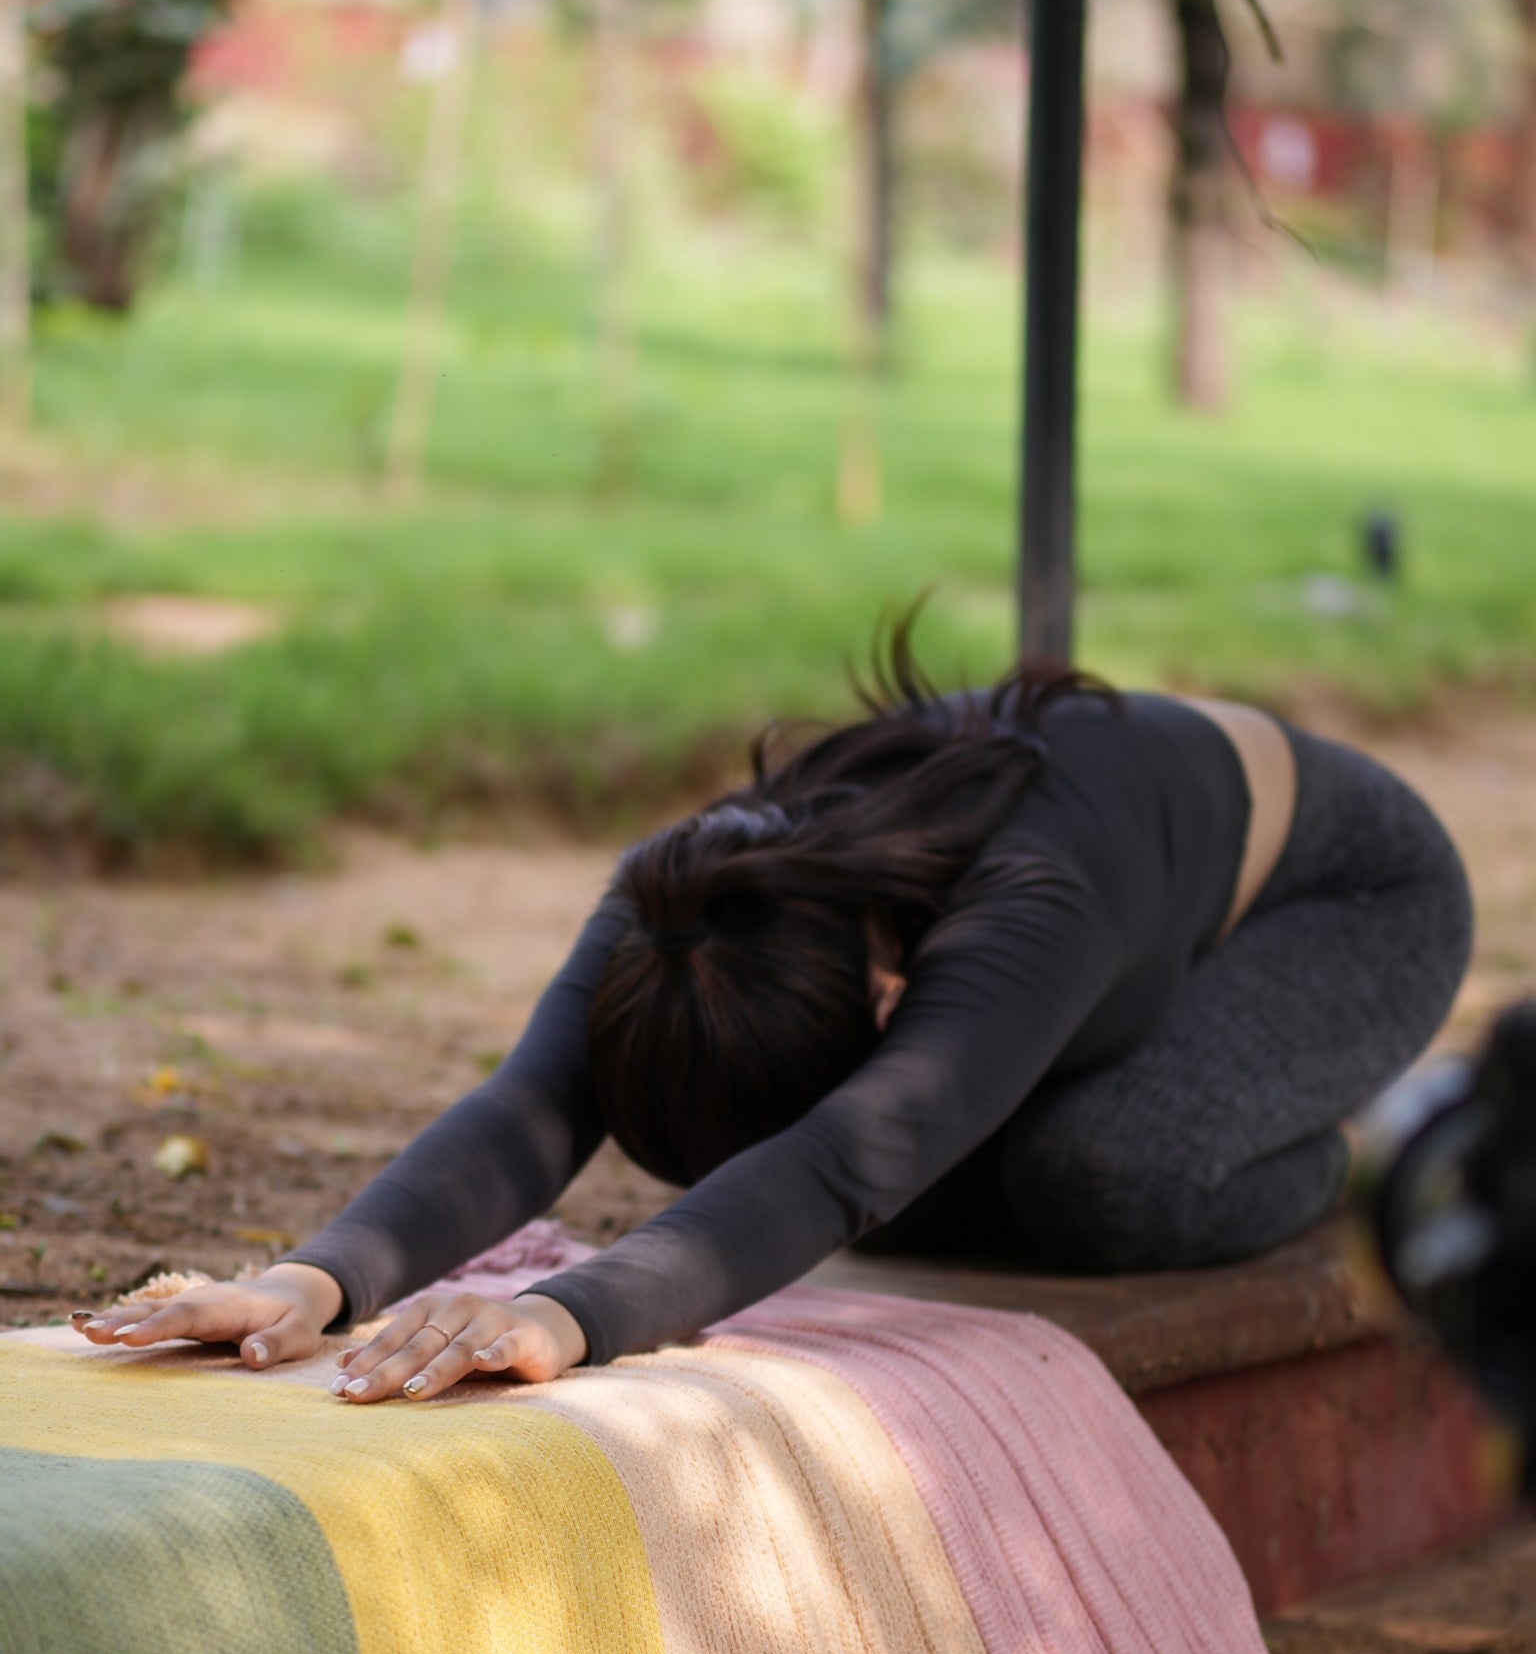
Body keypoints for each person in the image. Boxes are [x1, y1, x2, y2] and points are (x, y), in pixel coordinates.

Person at [75, 622, 1473, 1405]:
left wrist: (567, 1316)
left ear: (888, 992)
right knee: (912, 1182)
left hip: (1343, 905)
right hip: (1115, 936)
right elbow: (535, 1102)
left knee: (1103, 1177)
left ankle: (1366, 1143)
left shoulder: (1028, 905)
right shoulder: (690, 889)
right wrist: (312, 1281)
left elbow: (845, 1158)